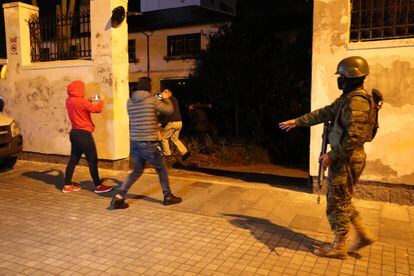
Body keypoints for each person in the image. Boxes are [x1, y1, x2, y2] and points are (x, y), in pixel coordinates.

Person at [279, 56, 376, 259]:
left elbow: (355, 137)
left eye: (341, 76)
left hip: (347, 159)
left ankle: (339, 246)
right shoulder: (347, 98)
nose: (339, 80)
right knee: (341, 198)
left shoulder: (357, 101)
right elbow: (325, 113)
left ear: (350, 77)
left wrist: (332, 155)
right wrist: (298, 122)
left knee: (336, 202)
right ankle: (363, 234)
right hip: (346, 157)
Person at [109, 77, 182, 209]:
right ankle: (168, 196)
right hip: (149, 143)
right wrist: (165, 98)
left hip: (135, 142)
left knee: (136, 171)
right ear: (148, 88)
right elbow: (169, 111)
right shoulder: (152, 100)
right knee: (161, 169)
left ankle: (119, 197)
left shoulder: (129, 102)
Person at [63, 80, 113, 194]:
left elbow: (80, 106)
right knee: (92, 160)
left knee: (73, 160)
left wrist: (88, 101)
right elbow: (97, 109)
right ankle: (98, 186)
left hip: (75, 133)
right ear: (79, 90)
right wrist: (101, 101)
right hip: (84, 135)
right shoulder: (81, 102)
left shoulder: (69, 100)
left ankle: (67, 185)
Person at [159, 88, 190, 161]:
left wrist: (161, 123)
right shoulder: (174, 100)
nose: (164, 94)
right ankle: (185, 152)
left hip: (172, 122)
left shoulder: (169, 100)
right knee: (174, 139)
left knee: (164, 138)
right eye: (163, 92)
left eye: (166, 92)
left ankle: (167, 155)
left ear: (170, 93)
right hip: (179, 122)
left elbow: (168, 113)